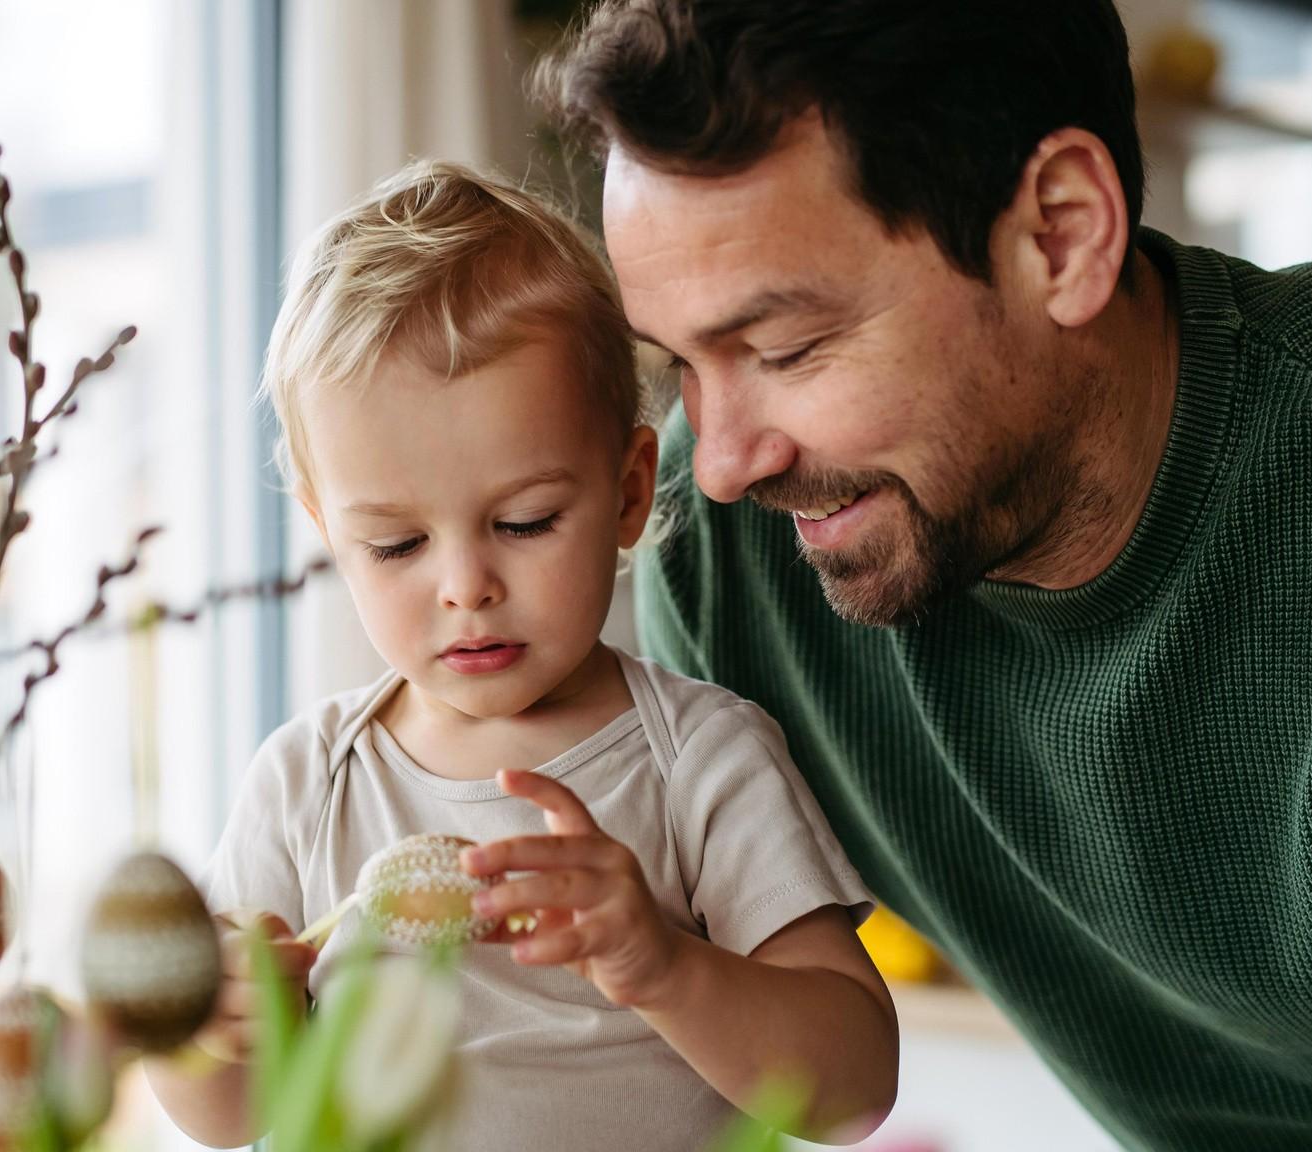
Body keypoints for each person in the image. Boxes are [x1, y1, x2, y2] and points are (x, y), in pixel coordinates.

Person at [536, 1, 1312, 1149]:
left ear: (1062, 235)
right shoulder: (725, 555)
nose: (726, 462)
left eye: (786, 349)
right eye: (682, 365)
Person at [144, 160, 898, 1150]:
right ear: (330, 532)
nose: (466, 586)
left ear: (629, 492)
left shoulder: (702, 762)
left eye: (526, 521)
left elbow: (853, 1089)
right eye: (397, 545)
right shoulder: (306, 786)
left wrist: (664, 967)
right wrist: (215, 1031)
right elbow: (224, 1118)